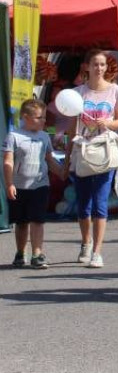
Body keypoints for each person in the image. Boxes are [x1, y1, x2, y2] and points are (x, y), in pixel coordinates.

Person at [66, 49, 118, 269]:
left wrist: (107, 124)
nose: (99, 68)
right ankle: (85, 243)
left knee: (100, 203)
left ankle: (97, 251)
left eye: (102, 64)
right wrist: (66, 159)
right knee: (83, 204)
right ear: (87, 67)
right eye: (95, 64)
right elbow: (72, 129)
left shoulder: (114, 90)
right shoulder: (78, 93)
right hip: (82, 150)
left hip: (105, 150)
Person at [4, 99, 63, 269]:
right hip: (19, 186)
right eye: (39, 117)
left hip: (40, 185)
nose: (44, 120)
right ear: (26, 117)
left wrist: (62, 172)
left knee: (38, 220)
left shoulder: (44, 137)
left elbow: (50, 159)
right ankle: (20, 252)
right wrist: (9, 184)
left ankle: (37, 254)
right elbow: (8, 161)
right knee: (21, 222)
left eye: (44, 117)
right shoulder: (14, 136)